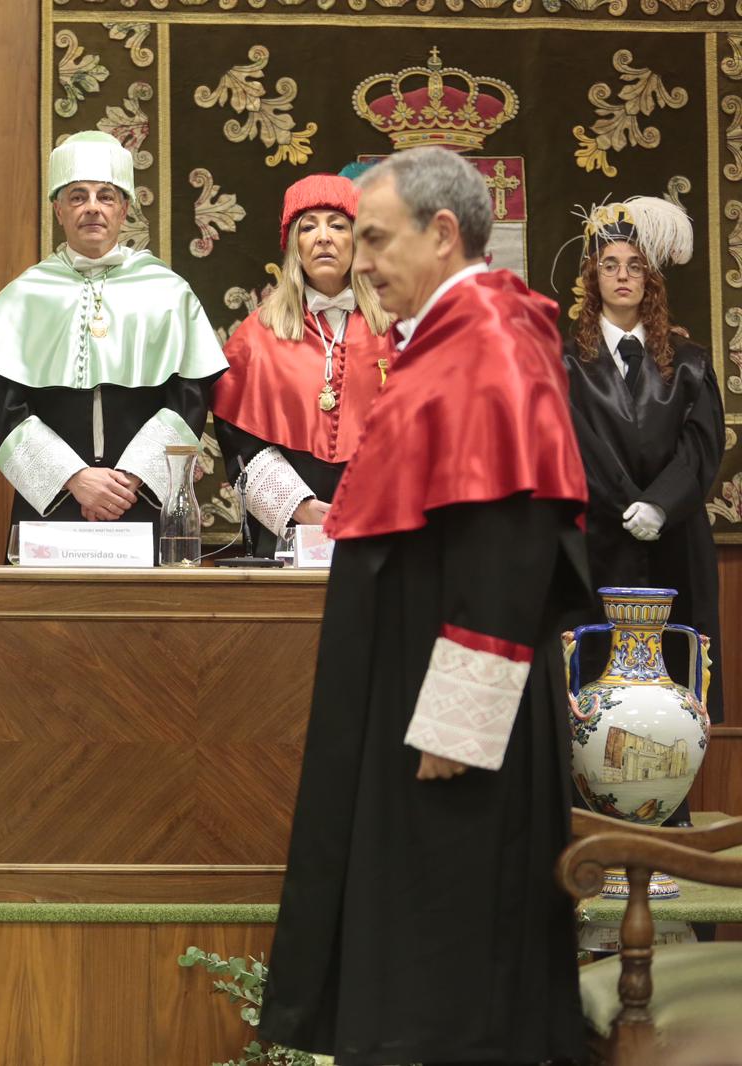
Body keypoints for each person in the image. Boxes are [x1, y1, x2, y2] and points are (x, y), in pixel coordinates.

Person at [260, 147, 592, 1066]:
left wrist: (459, 718)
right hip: (417, 679)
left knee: (453, 932)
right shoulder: (454, 334)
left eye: (373, 237)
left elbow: (512, 537)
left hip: (451, 717)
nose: (359, 260)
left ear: (442, 234)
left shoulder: (490, 337)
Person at [0, 131, 225, 549]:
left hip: (139, 500)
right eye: (78, 196)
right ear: (58, 210)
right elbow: (4, 408)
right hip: (52, 502)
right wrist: (74, 478)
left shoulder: (168, 292)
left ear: (125, 209)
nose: (92, 208)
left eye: (106, 195)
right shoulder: (25, 295)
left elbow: (189, 397)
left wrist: (129, 479)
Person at [563, 196, 724, 728]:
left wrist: (659, 505)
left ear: (651, 279)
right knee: (591, 684)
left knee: (678, 688)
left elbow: (702, 445)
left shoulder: (692, 363)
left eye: (635, 266)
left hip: (674, 541)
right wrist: (624, 503)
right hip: (594, 541)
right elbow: (564, 445)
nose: (623, 276)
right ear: (593, 277)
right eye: (610, 265)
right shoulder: (560, 364)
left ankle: (672, 805)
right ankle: (588, 808)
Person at [211, 173, 394, 556]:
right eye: (308, 226)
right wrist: (301, 508)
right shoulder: (256, 334)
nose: (323, 237)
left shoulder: (397, 330)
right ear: (294, 244)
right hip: (287, 530)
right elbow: (240, 441)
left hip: (380, 526)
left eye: (338, 225)